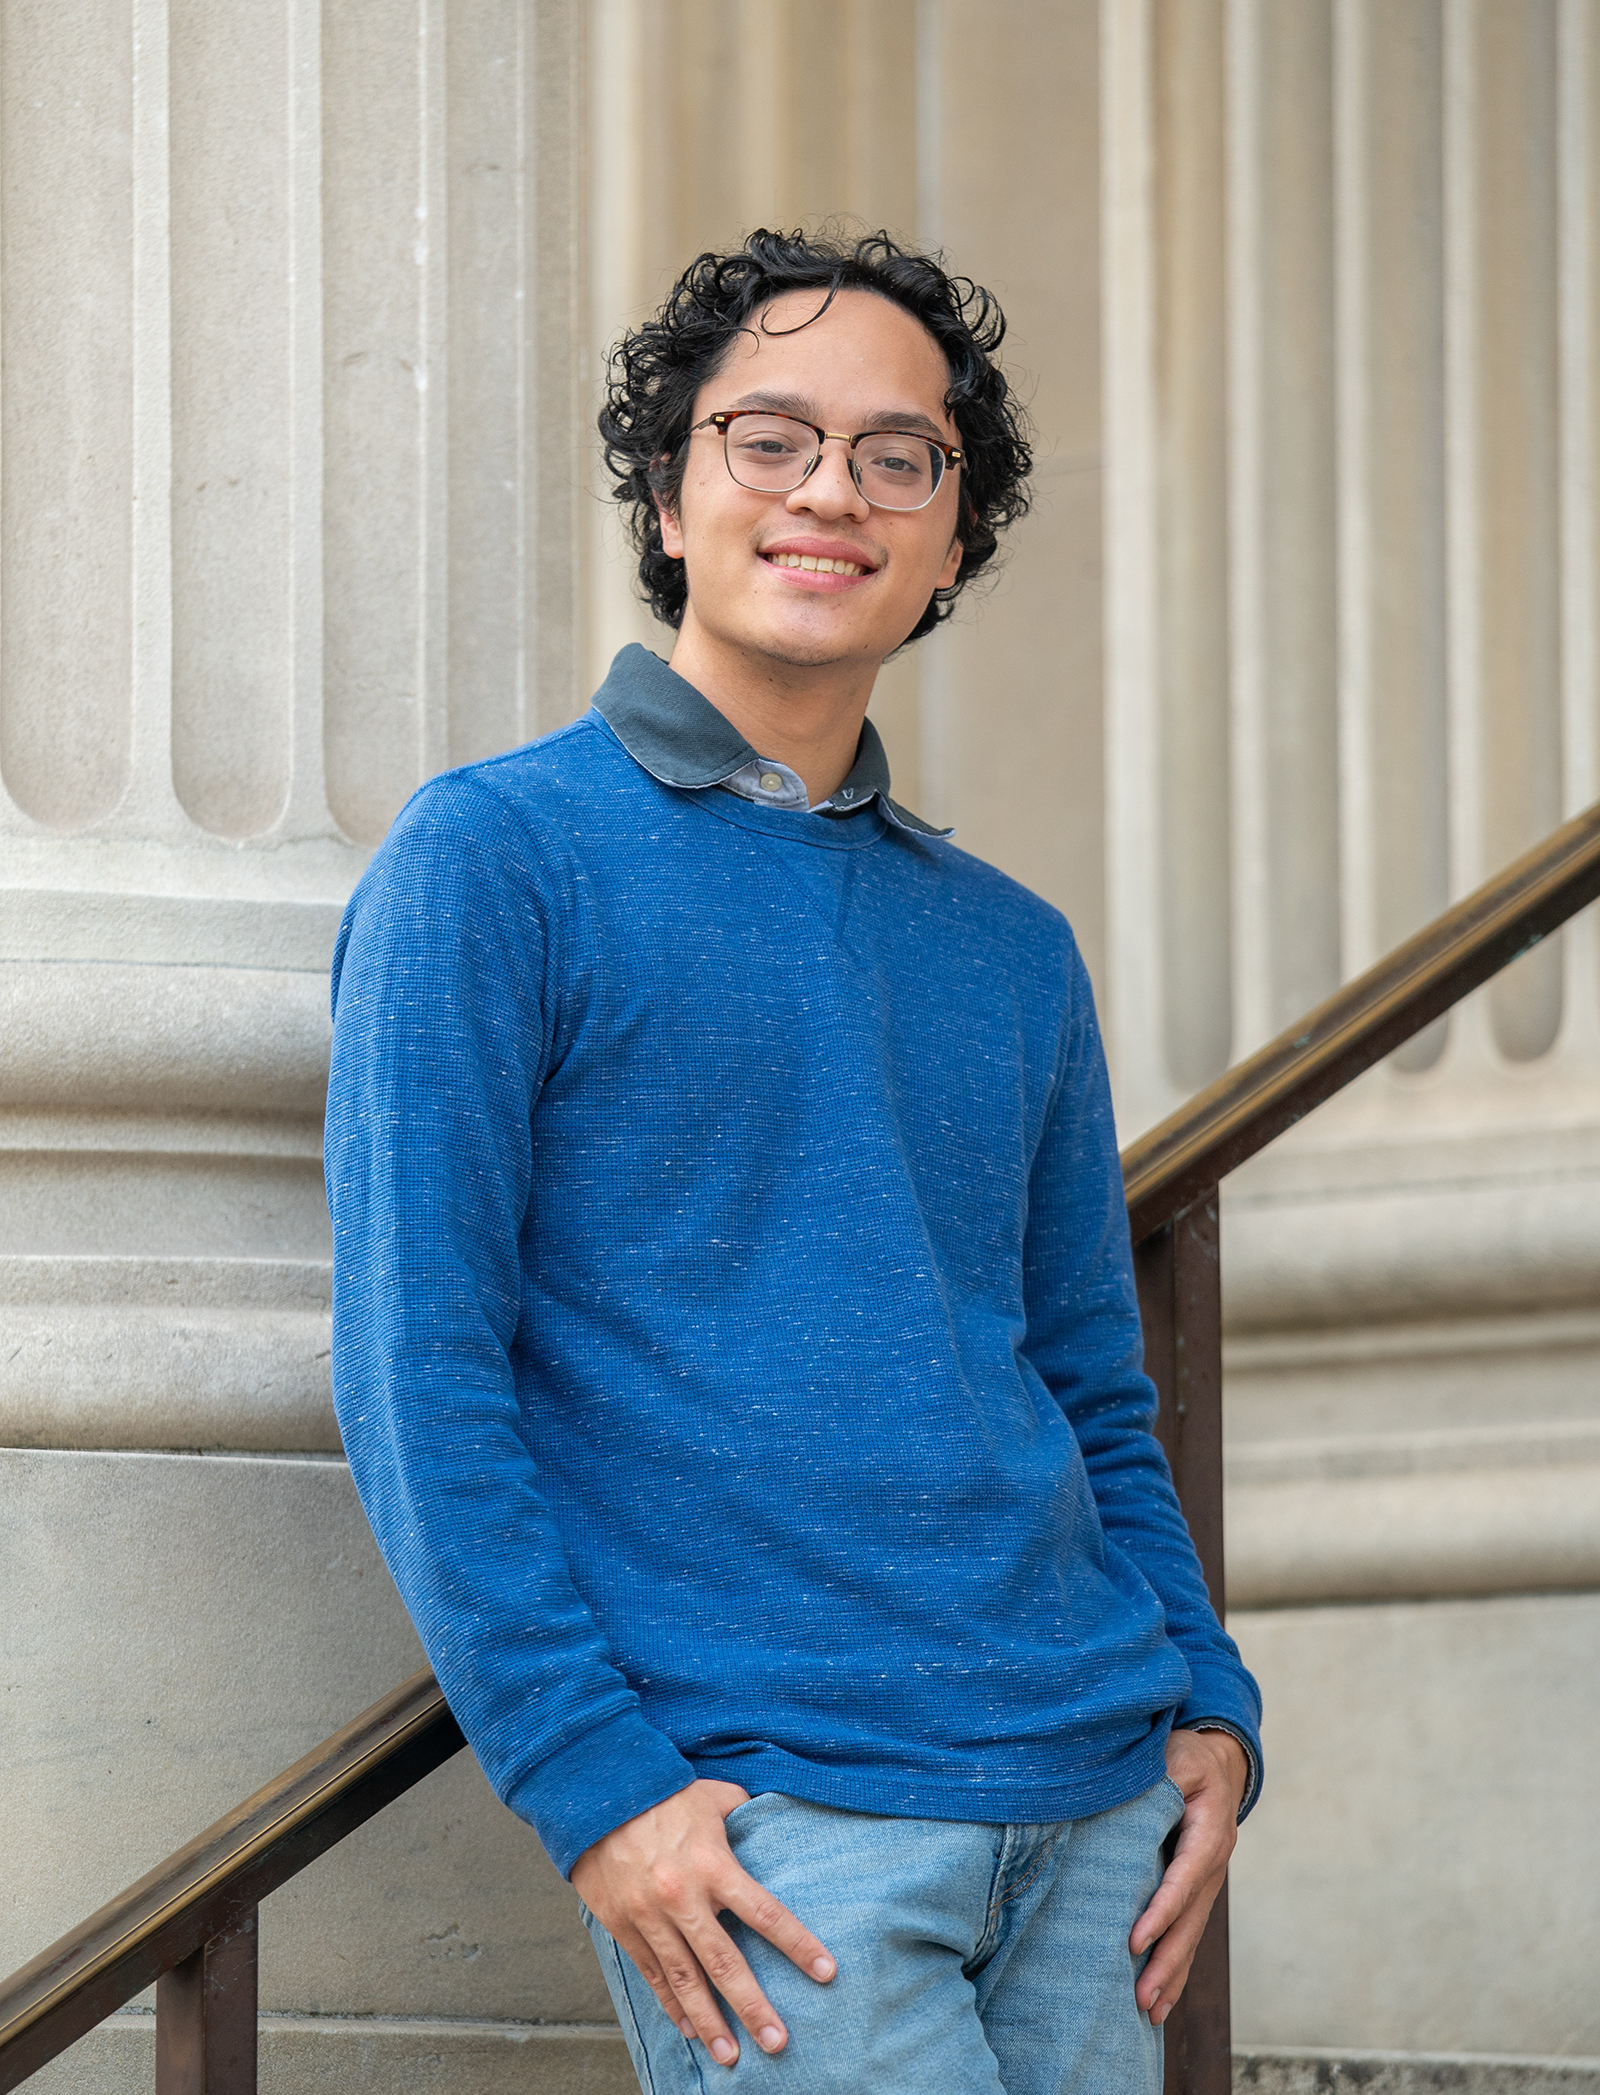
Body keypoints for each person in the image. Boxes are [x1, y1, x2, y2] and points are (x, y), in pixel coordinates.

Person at [325, 228, 1261, 2095]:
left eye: (898, 456)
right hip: (778, 1837)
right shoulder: (492, 861)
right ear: (671, 495)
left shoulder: (1011, 945)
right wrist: (597, 1788)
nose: (832, 488)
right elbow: (420, 1369)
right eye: (768, 438)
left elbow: (1087, 1376)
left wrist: (1208, 1699)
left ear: (948, 541)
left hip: (1095, 1815)